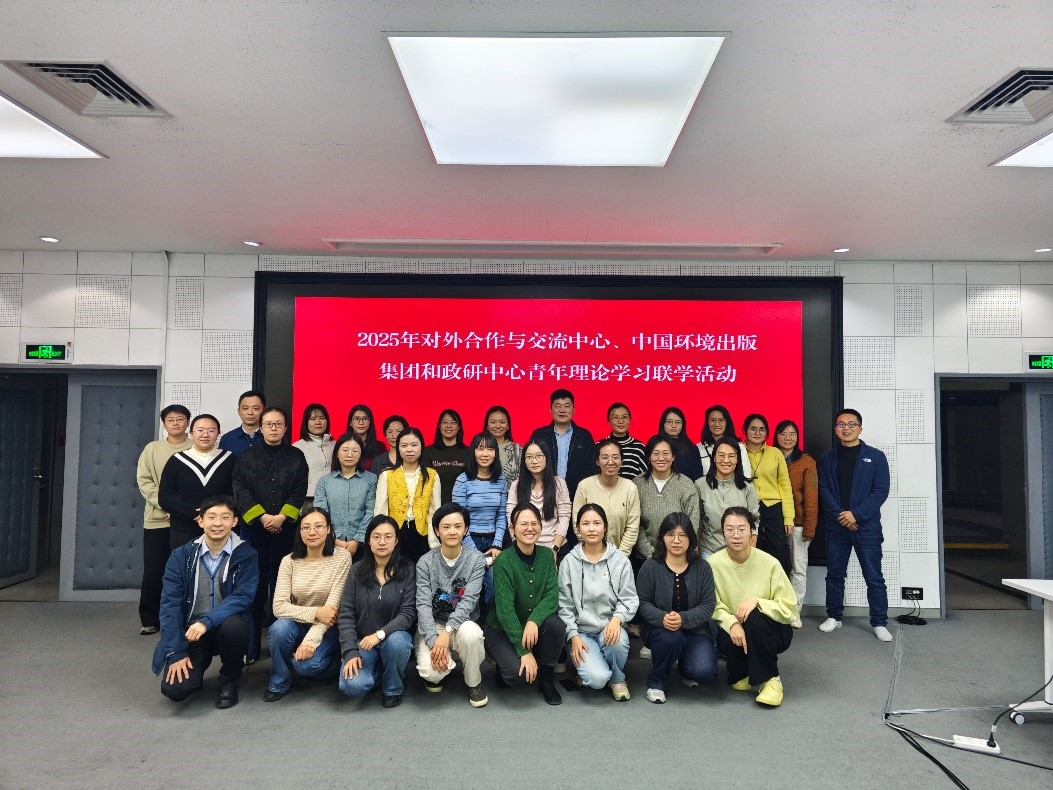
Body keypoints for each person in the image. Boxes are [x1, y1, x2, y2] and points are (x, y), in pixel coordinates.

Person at [152, 494, 258, 709]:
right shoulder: (181, 556)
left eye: (225, 517)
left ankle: (230, 678)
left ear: (235, 522)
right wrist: (176, 651)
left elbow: (242, 597)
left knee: (235, 625)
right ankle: (199, 662)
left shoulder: (246, 555)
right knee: (176, 690)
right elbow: (170, 605)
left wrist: (207, 621)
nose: (218, 523)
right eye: (211, 517)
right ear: (200, 521)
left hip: (225, 627)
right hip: (191, 633)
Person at [232, 406, 309, 655]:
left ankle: (280, 646)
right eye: (268, 424)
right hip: (254, 531)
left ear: (285, 428)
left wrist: (282, 517)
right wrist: (263, 517)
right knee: (253, 588)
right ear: (261, 427)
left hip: (286, 531)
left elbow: (300, 490)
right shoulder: (246, 457)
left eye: (278, 424)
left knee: (283, 588)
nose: (273, 428)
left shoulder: (296, 456)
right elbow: (240, 490)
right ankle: (251, 648)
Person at [708, 507, 796, 707]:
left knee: (754, 616)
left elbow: (789, 607)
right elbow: (712, 604)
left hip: (771, 631)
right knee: (736, 677)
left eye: (742, 529)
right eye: (730, 529)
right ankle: (745, 669)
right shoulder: (712, 564)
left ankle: (772, 679)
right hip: (734, 632)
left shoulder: (769, 563)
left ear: (751, 532)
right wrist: (732, 623)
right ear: (723, 532)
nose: (736, 535)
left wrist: (758, 601)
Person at [817, 409, 892, 642]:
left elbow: (881, 491)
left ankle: (879, 622)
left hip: (866, 526)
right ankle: (834, 616)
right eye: (841, 424)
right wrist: (842, 516)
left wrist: (856, 515)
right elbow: (823, 489)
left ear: (860, 428)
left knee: (874, 576)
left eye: (851, 424)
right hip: (837, 525)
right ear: (835, 429)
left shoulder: (876, 457)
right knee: (835, 574)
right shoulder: (827, 458)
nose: (846, 428)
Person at [264, 507, 353, 701]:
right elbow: (278, 607)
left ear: (328, 529)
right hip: (299, 623)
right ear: (300, 531)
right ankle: (279, 681)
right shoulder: (289, 561)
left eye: (318, 526)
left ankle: (333, 663)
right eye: (306, 527)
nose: (312, 532)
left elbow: (331, 611)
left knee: (306, 666)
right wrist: (315, 613)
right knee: (279, 629)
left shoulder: (342, 558)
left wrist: (309, 643)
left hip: (330, 627)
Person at [484, 503, 566, 705]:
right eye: (523, 524)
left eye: (534, 523)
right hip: (503, 628)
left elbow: (551, 597)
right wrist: (524, 652)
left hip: (532, 627)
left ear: (540, 526)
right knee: (517, 678)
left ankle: (546, 679)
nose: (530, 528)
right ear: (512, 528)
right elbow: (505, 612)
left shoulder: (547, 556)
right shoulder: (504, 560)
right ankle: (506, 662)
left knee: (556, 625)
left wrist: (533, 621)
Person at [558, 504, 639, 700]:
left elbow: (629, 598)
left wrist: (617, 619)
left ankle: (618, 678)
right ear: (578, 528)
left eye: (597, 523)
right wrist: (573, 636)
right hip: (582, 633)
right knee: (597, 679)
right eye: (585, 524)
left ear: (605, 527)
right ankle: (594, 669)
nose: (591, 529)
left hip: (609, 628)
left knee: (617, 642)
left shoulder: (620, 561)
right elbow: (564, 605)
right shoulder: (569, 562)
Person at [636, 512, 718, 704]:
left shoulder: (702, 567)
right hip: (660, 630)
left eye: (682, 535)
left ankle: (685, 667)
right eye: (670, 534)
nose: (676, 540)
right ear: (662, 537)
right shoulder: (650, 567)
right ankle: (657, 681)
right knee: (671, 638)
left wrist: (683, 619)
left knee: (704, 672)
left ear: (691, 539)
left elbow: (708, 605)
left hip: (695, 630)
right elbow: (642, 602)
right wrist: (662, 618)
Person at [414, 503, 489, 708]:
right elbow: (423, 604)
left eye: (458, 526)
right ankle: (445, 662)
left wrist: (448, 632)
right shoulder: (425, 562)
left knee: (472, 634)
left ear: (466, 529)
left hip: (462, 624)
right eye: (446, 527)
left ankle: (473, 682)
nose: (452, 531)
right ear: (437, 531)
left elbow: (469, 601)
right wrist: (433, 642)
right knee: (432, 674)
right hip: (433, 625)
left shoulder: (476, 559)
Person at [338, 515, 417, 708]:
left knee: (398, 643)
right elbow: (346, 614)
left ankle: (393, 687)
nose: (382, 542)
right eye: (376, 537)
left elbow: (408, 614)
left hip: (393, 637)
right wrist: (350, 652)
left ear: (396, 540)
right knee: (352, 686)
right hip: (364, 641)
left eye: (388, 537)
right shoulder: (356, 570)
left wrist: (380, 634)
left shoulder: (408, 569)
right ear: (368, 540)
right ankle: (382, 670)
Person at [136, 404, 192, 635]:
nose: (176, 423)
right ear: (164, 424)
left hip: (188, 520)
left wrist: (181, 510)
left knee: (186, 570)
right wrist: (167, 505)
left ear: (188, 422)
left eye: (180, 419)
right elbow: (144, 481)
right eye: (171, 420)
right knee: (154, 570)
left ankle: (186, 617)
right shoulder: (152, 449)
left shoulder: (195, 447)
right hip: (157, 520)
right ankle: (150, 618)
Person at [158, 414, 236, 550]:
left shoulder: (229, 459)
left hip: (220, 528)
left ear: (218, 433)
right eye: (200, 430)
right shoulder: (176, 460)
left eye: (211, 430)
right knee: (185, 562)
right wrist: (196, 513)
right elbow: (166, 498)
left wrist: (212, 513)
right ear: (191, 433)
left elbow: (236, 492)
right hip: (184, 529)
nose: (205, 434)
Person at [775, 419, 818, 629]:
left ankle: (794, 612)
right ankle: (776, 610)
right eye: (783, 433)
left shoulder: (806, 461)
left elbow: (812, 496)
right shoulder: (770, 457)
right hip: (774, 523)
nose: (788, 438)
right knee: (776, 568)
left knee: (798, 569)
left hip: (799, 524)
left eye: (792, 434)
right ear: (776, 436)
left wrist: (809, 527)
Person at [374, 427, 441, 562]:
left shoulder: (432, 475)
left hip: (422, 534)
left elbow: (435, 511)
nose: (409, 450)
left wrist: (434, 542)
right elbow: (380, 511)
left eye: (414, 445)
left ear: (421, 447)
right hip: (394, 534)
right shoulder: (386, 475)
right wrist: (382, 538)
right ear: (398, 448)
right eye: (404, 446)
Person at [633, 436, 701, 567]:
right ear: (649, 457)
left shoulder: (686, 485)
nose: (661, 458)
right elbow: (634, 524)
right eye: (656, 453)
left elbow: (692, 523)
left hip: (680, 558)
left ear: (673, 456)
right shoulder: (637, 484)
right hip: (645, 560)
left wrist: (677, 553)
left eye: (666, 453)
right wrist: (651, 554)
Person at [741, 413, 794, 574]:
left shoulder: (775, 453)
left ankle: (779, 587)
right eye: (753, 429)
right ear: (745, 430)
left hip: (773, 507)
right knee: (751, 549)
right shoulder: (739, 451)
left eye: (762, 429)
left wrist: (788, 518)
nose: (757, 433)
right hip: (747, 507)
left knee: (779, 551)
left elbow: (785, 486)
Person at [572, 439, 640, 557]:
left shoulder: (630, 488)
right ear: (597, 461)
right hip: (589, 554)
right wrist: (592, 550)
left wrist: (620, 557)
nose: (610, 462)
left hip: (620, 556)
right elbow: (576, 522)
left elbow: (632, 527)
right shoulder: (584, 486)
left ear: (622, 461)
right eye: (604, 457)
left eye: (615, 457)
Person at [314, 433, 377, 558]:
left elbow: (371, 511)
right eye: (345, 450)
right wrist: (335, 540)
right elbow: (321, 515)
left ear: (361, 454)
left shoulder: (371, 479)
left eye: (355, 451)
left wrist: (356, 541)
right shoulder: (325, 481)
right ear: (337, 453)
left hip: (363, 545)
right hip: (330, 544)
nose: (349, 454)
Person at [696, 437, 760, 556]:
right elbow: (697, 522)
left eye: (731, 456)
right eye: (721, 455)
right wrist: (695, 551)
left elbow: (754, 522)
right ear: (714, 458)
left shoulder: (748, 487)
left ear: (737, 459)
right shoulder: (700, 485)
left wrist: (750, 554)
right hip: (709, 552)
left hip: (740, 552)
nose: (726, 460)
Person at [529, 388, 597, 498]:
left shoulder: (584, 436)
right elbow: (530, 462)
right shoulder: (539, 435)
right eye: (558, 406)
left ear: (573, 410)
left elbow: (592, 466)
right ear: (550, 410)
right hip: (544, 494)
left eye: (567, 406)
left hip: (578, 494)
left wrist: (580, 487)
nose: (562, 410)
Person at [506, 440, 571, 554]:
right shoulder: (517, 485)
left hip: (554, 546)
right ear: (524, 460)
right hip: (525, 547)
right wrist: (518, 544)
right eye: (529, 457)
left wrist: (555, 549)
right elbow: (511, 517)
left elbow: (565, 517)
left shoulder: (559, 484)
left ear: (547, 458)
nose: (534, 461)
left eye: (539, 456)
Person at [452, 431, 508, 559]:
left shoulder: (501, 479)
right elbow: (458, 517)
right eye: (480, 448)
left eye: (490, 449)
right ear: (473, 451)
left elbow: (501, 515)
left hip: (493, 540)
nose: (485, 454)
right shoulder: (462, 480)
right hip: (467, 539)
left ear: (496, 453)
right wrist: (472, 549)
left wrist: (497, 544)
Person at [422, 408, 470, 505]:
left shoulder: (468, 452)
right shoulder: (428, 452)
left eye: (453, 422)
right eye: (445, 422)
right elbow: (425, 483)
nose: (448, 426)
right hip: (435, 506)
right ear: (439, 426)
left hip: (461, 506)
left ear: (459, 427)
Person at [291, 402, 334, 508]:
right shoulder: (298, 447)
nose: (318, 422)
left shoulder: (335, 445)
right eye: (313, 419)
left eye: (322, 418)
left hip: (333, 496)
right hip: (308, 498)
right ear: (306, 422)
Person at [697, 404, 750, 478]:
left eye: (721, 420)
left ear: (726, 422)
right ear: (707, 422)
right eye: (713, 420)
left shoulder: (739, 446)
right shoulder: (698, 448)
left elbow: (746, 475)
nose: (717, 424)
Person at [603, 402, 647, 480]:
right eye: (616, 417)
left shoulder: (639, 448)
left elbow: (645, 477)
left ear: (629, 420)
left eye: (624, 417)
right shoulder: (599, 446)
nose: (620, 421)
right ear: (609, 420)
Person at [658, 406, 703, 481]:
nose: (673, 425)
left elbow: (697, 479)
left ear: (683, 425)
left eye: (678, 422)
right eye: (669, 422)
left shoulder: (692, 449)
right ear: (663, 424)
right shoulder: (654, 445)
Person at [484, 405, 521, 490]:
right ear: (487, 425)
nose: (497, 426)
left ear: (508, 425)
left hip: (512, 496)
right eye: (493, 422)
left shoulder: (517, 449)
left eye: (502, 422)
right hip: (484, 495)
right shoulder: (479, 449)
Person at [218, 390, 265, 456]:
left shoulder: (271, 436)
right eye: (245, 408)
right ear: (239, 411)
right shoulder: (227, 439)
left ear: (264, 412)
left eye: (255, 408)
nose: (250, 413)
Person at [345, 404, 383, 472]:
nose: (361, 422)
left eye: (365, 419)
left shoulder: (380, 447)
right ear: (350, 423)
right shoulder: (342, 445)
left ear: (370, 422)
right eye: (357, 419)